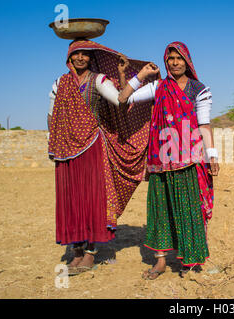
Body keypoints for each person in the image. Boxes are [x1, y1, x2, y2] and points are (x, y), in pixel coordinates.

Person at [48, 39, 154, 275]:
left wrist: (132, 76)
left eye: (86, 54)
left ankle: (90, 253)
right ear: (69, 57)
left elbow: (120, 99)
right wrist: (55, 142)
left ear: (91, 58)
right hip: (66, 151)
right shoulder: (59, 83)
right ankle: (75, 251)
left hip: (92, 147)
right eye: (77, 54)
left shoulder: (98, 80)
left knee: (92, 199)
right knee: (71, 200)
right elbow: (51, 115)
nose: (81, 58)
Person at [118, 41, 219, 279]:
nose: (175, 63)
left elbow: (204, 125)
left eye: (179, 58)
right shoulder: (158, 87)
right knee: (160, 210)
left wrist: (211, 155)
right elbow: (124, 98)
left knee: (189, 209)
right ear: (166, 62)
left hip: (189, 160)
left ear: (187, 61)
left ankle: (191, 262)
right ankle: (160, 262)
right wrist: (137, 75)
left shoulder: (200, 90)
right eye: (170, 59)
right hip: (160, 159)